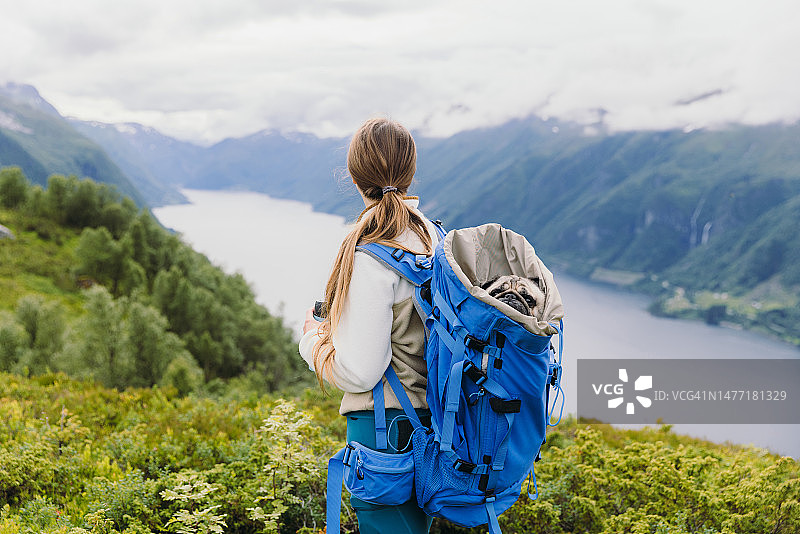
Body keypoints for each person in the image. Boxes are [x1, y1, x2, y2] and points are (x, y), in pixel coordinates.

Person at [298, 117, 440, 534]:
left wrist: (312, 339)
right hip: (435, 430)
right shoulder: (432, 238)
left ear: (355, 177)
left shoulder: (373, 251)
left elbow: (361, 371)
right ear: (410, 172)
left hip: (387, 433)